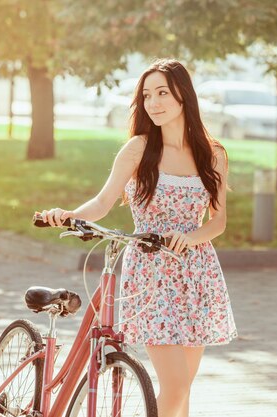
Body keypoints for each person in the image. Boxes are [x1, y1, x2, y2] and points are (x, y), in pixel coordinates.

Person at [40, 58, 237, 417]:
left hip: (198, 274)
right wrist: (69, 215)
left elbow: (218, 221)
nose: (154, 102)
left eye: (162, 92)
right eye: (147, 95)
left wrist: (191, 237)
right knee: (175, 385)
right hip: (150, 274)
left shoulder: (214, 155)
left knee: (182, 393)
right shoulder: (138, 149)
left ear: (183, 96)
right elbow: (102, 202)